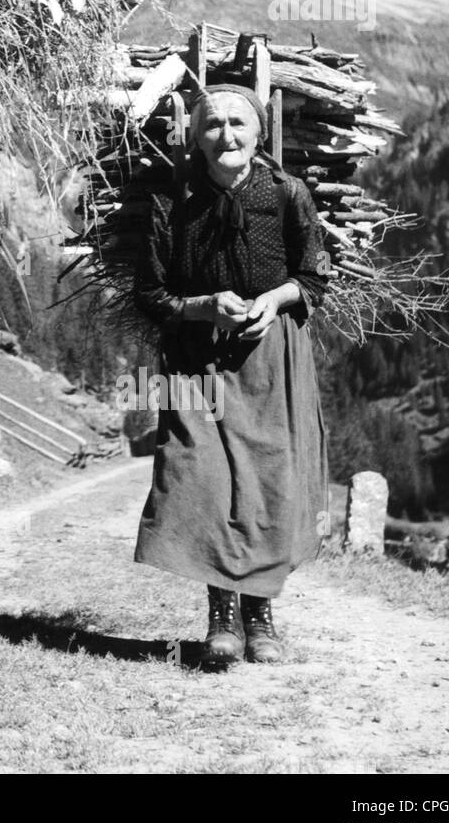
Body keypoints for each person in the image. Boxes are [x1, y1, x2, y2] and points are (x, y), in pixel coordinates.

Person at [132, 84, 329, 668]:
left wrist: (274, 299)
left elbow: (314, 278)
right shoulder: (175, 203)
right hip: (196, 361)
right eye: (212, 125)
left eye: (238, 124)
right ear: (195, 137)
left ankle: (260, 617)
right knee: (202, 480)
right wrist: (201, 307)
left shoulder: (288, 194)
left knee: (270, 485)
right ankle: (221, 616)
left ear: (258, 133)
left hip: (273, 358)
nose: (226, 135)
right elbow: (151, 293)